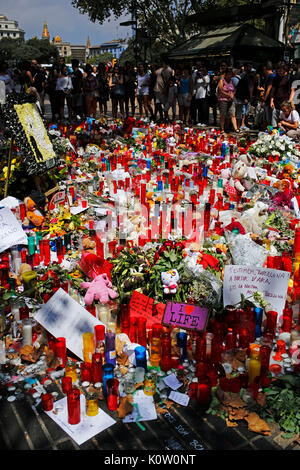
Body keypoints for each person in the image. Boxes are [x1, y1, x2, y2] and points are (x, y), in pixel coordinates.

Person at [217, 67, 239, 133]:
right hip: (223, 99)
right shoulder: (222, 81)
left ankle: (236, 128)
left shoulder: (232, 81)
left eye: (230, 75)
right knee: (223, 114)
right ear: (225, 74)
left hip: (230, 100)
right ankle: (222, 128)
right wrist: (228, 95)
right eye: (228, 74)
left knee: (233, 114)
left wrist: (232, 95)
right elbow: (220, 90)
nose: (229, 76)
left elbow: (234, 89)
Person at [153, 57, 173, 123]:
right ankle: (162, 117)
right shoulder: (162, 69)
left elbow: (168, 81)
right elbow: (155, 73)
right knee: (158, 104)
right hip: (157, 89)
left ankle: (166, 118)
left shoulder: (168, 70)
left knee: (165, 105)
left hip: (163, 90)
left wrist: (165, 89)